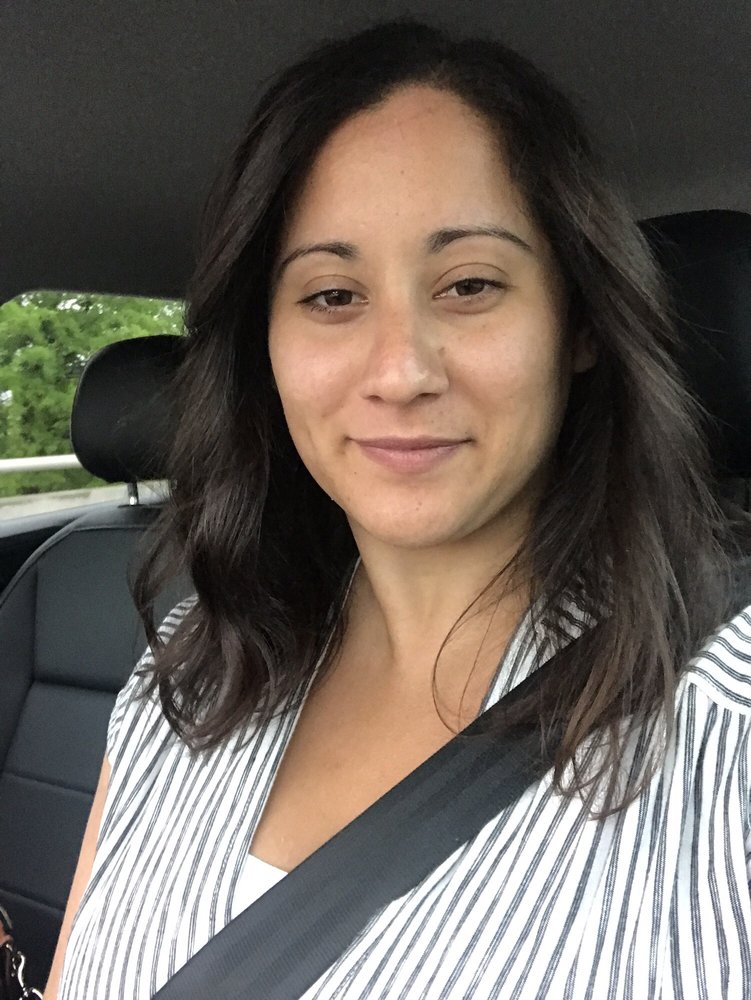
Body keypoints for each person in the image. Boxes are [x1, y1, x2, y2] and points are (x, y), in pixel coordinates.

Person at [47, 19, 751, 999]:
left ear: (578, 324)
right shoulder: (188, 668)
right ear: (265, 348)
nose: (400, 370)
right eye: (332, 296)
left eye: (468, 284)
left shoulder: (725, 720)